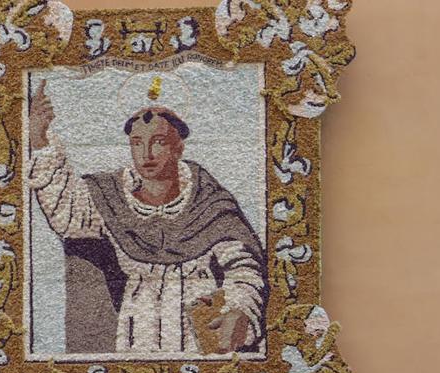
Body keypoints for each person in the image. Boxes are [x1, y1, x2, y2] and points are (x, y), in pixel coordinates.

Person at [28, 77, 267, 355]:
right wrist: (40, 138)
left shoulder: (208, 200)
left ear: (178, 148)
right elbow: (68, 213)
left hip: (199, 332)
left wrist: (239, 311)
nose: (147, 153)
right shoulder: (112, 196)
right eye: (137, 143)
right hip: (136, 329)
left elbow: (244, 267)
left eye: (159, 142)